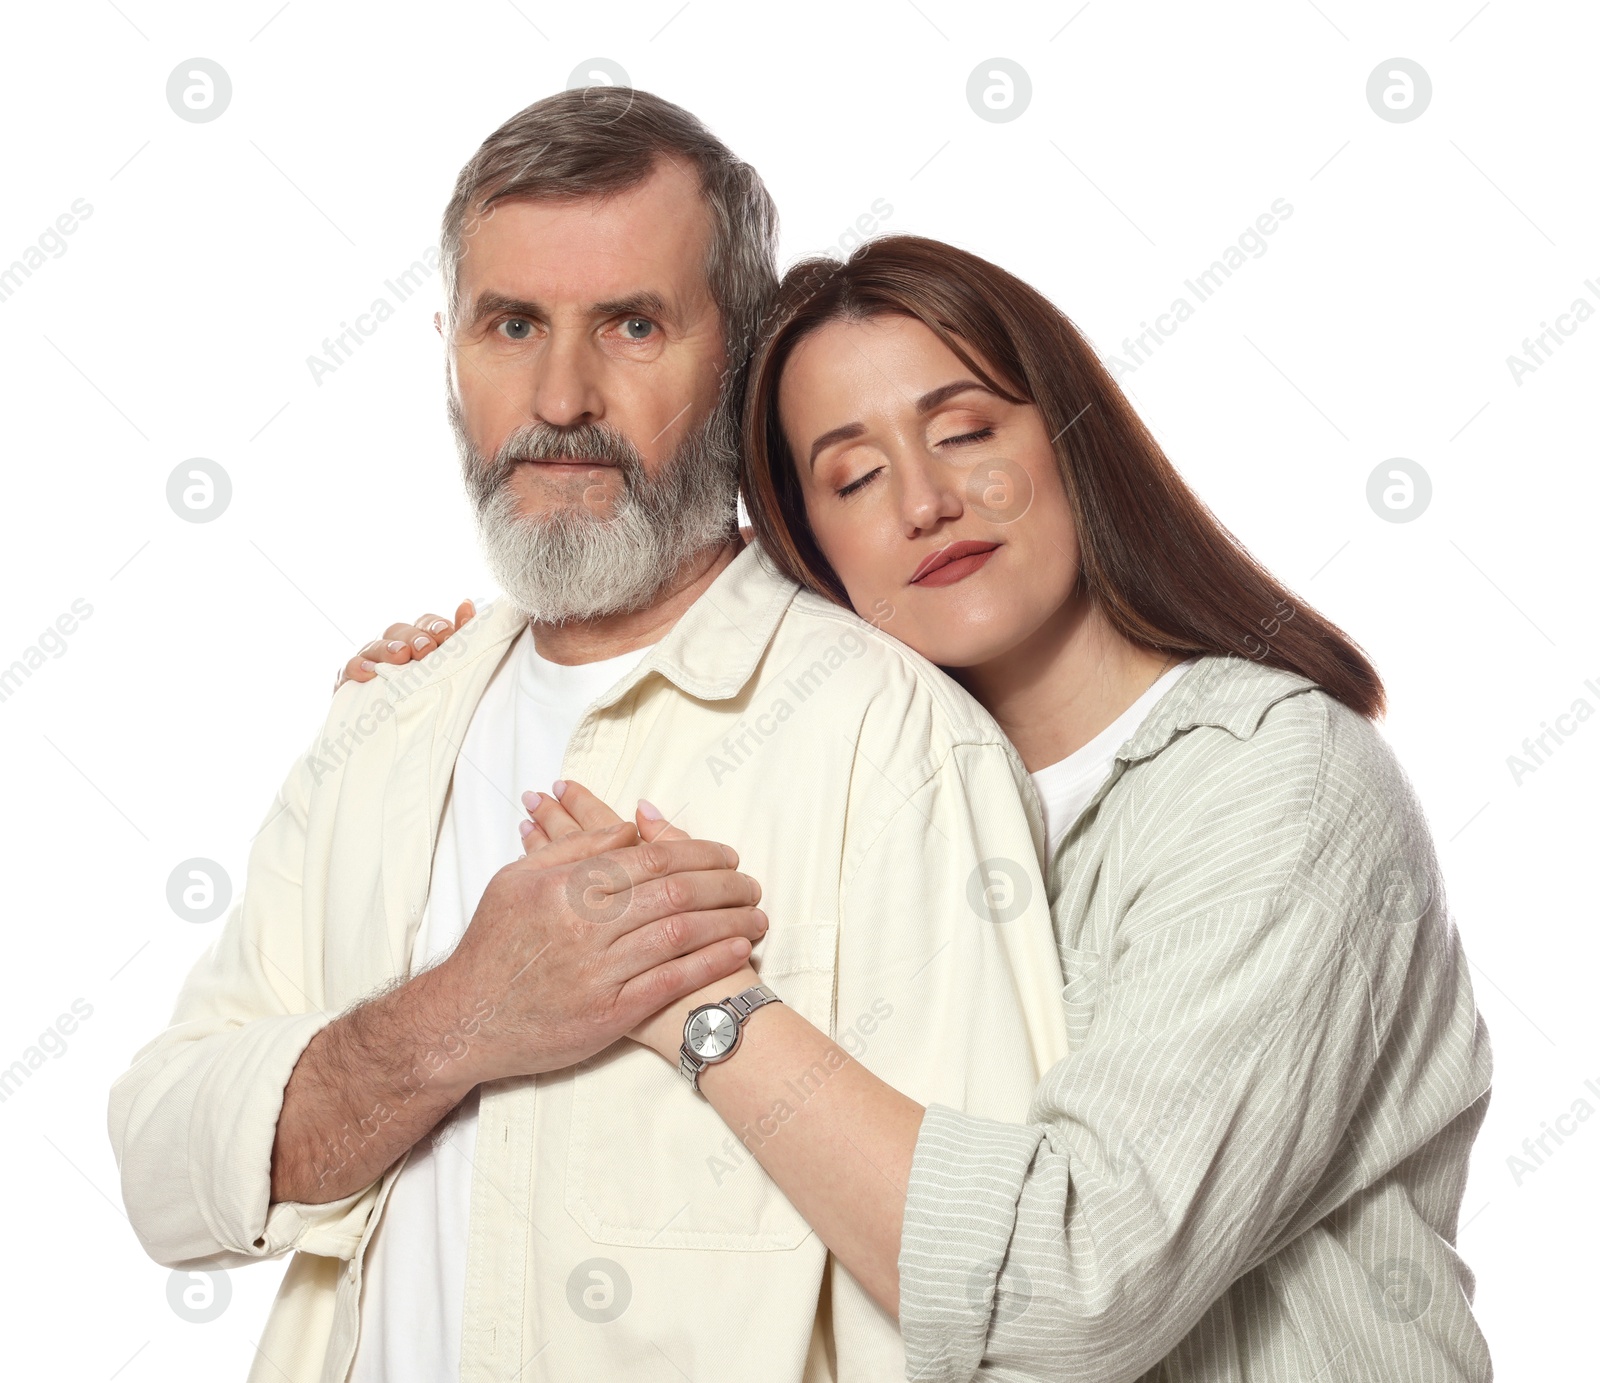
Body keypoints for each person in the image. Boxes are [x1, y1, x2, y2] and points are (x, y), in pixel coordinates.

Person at [358, 235, 1494, 1380]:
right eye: (851, 477)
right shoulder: (870, 788)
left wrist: (696, 998)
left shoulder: (1275, 786)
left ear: (1071, 438)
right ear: (809, 548)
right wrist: (454, 691)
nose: (926, 501)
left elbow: (1073, 1285)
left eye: (964, 433)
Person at [106, 97, 1071, 1383]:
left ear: (736, 366)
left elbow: (1003, 1304)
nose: (560, 397)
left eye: (632, 325)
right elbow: (167, 1177)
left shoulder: (886, 741)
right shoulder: (385, 726)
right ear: (451, 352)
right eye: (512, 325)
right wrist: (459, 1020)